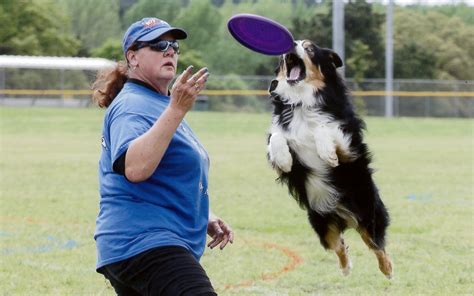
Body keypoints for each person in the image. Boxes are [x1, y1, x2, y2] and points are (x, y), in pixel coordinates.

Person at [92, 17, 234, 296]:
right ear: (132, 57)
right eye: (158, 45)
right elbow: (134, 168)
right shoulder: (132, 105)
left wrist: (203, 214)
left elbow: (166, 170)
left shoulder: (159, 102)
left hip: (143, 243)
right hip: (144, 242)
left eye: (173, 46)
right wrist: (177, 109)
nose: (169, 51)